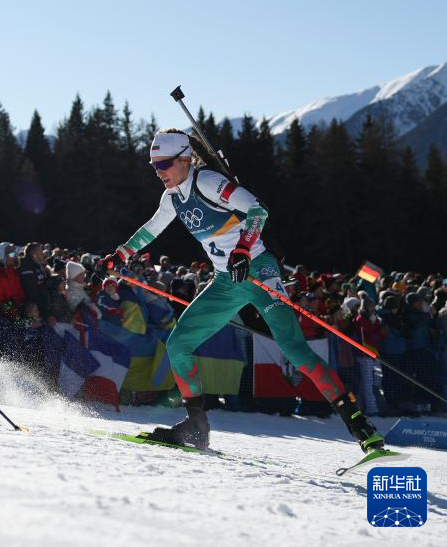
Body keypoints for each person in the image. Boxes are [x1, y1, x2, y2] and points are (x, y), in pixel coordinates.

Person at [105, 129, 384, 452]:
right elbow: (151, 228)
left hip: (258, 271)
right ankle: (196, 426)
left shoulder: (207, 182)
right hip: (226, 282)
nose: (159, 172)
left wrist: (243, 249)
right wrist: (120, 255)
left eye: (164, 164)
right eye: (154, 165)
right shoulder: (172, 198)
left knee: (294, 350)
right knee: (178, 343)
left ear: (185, 159)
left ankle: (361, 428)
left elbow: (257, 209)